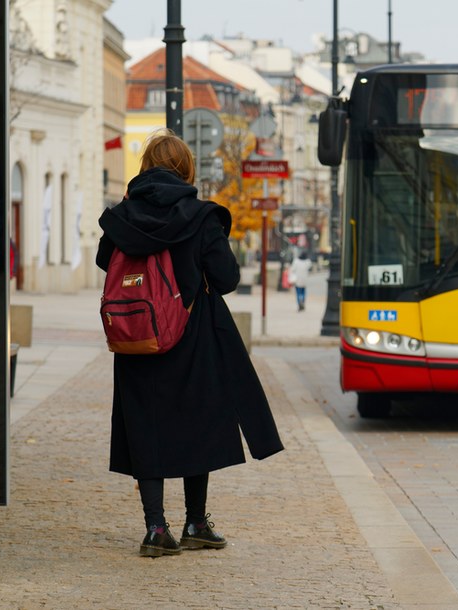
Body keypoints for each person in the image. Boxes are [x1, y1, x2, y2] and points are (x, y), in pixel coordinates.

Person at [95, 130, 284, 557]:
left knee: (146, 424)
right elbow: (227, 279)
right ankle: (196, 521)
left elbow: (105, 261)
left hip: (138, 337)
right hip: (193, 335)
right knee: (198, 422)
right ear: (186, 169)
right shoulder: (201, 216)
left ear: (144, 167)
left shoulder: (122, 216)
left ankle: (156, 527)